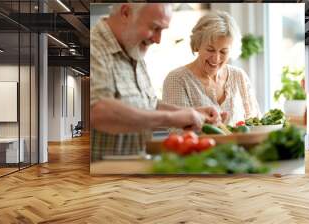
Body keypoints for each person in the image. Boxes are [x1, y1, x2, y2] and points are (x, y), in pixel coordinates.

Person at [90, 3, 220, 161]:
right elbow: (99, 112)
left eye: (162, 30)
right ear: (125, 13)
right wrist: (171, 119)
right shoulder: (94, 47)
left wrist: (192, 112)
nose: (158, 40)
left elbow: (149, 104)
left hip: (133, 169)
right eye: (154, 28)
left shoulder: (133, 48)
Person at [162, 11, 261, 125]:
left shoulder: (239, 76)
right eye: (210, 50)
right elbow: (177, 132)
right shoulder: (177, 79)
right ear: (197, 45)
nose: (216, 58)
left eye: (223, 51)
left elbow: (255, 122)